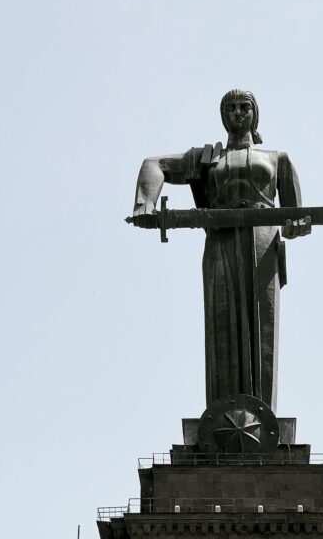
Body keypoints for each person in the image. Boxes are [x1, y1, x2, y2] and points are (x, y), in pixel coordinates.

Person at [132, 89, 310, 412]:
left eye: (244, 107)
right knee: (221, 322)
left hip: (262, 243)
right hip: (221, 242)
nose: (237, 113)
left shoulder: (277, 159)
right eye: (230, 108)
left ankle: (262, 415)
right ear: (222, 116)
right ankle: (220, 413)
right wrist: (145, 203)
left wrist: (296, 225)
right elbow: (154, 164)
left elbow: (296, 216)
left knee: (263, 323)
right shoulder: (208, 158)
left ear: (255, 114)